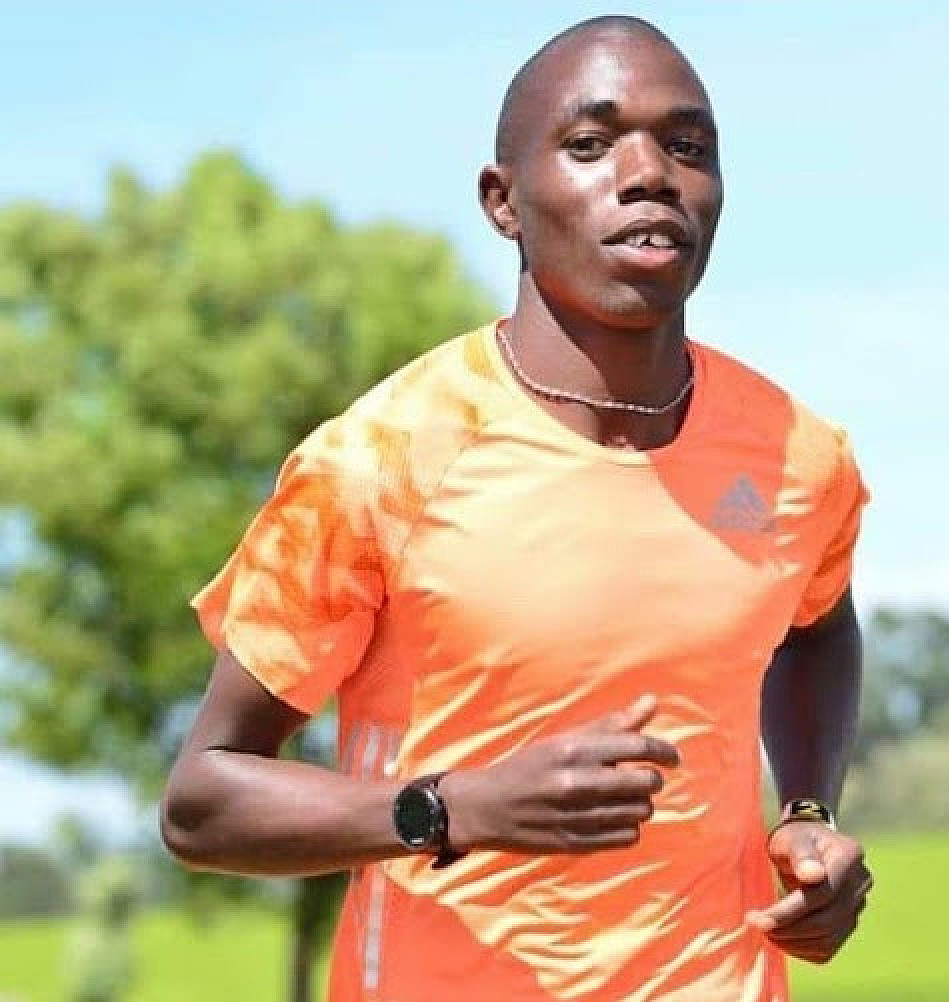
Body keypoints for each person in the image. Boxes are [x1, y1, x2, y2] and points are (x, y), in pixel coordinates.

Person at [161, 15, 873, 1002]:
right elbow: (202, 801)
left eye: (687, 146)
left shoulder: (798, 456)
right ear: (503, 202)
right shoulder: (379, 463)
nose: (648, 174)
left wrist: (806, 811)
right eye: (590, 144)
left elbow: (815, 628)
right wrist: (453, 809)